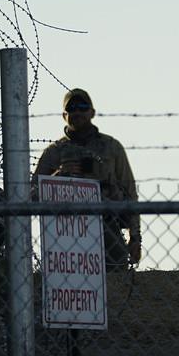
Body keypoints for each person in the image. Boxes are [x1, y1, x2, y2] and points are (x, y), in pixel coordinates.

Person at [32, 88, 141, 271]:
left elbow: (130, 194)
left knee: (117, 279)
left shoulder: (111, 148)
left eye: (82, 107)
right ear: (64, 115)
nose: (77, 112)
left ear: (92, 112)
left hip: (106, 225)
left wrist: (135, 237)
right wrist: (58, 175)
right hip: (65, 231)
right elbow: (31, 196)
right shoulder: (54, 152)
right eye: (72, 108)